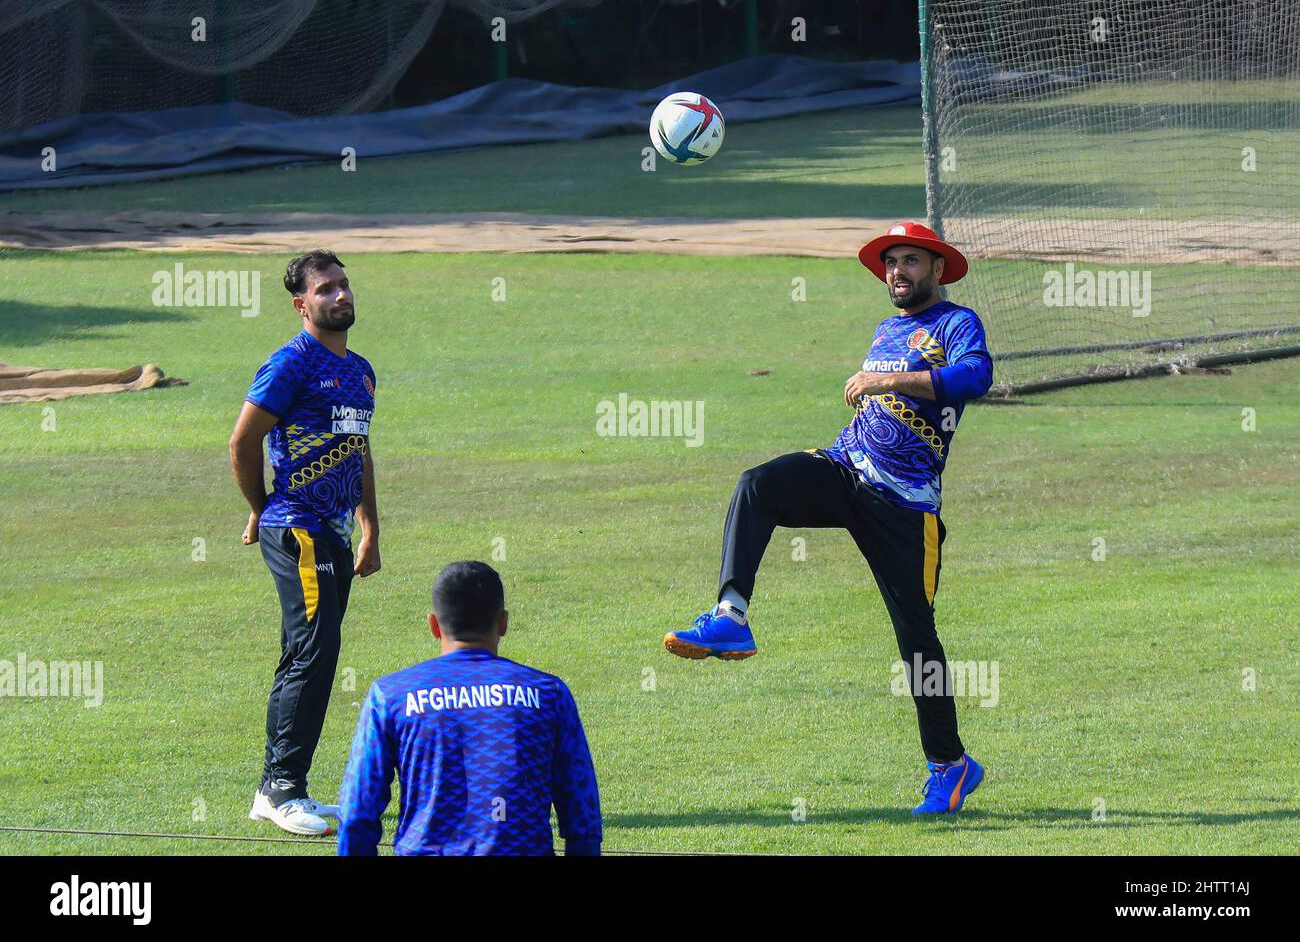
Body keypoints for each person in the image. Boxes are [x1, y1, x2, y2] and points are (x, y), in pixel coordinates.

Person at [663, 221, 993, 815]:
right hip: (847, 470)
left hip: (905, 506)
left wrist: (885, 379)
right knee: (757, 486)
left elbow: (976, 377)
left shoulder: (956, 323)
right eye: (891, 262)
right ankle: (730, 615)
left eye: (911, 261)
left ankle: (951, 766)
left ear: (938, 269)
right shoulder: (887, 328)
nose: (898, 271)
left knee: (917, 641)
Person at [229, 250, 381, 836]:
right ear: (302, 304)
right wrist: (259, 508)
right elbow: (242, 443)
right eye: (326, 290)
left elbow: (359, 449)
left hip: (334, 533)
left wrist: (370, 527)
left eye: (344, 285)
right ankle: (278, 791)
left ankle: (288, 786)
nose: (341, 296)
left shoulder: (361, 370)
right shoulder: (290, 364)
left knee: (314, 651)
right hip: (298, 528)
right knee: (312, 650)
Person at [338, 561, 602, 855]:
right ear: (503, 623)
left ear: (434, 625)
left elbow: (356, 816)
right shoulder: (548, 694)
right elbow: (583, 818)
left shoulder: (391, 695)